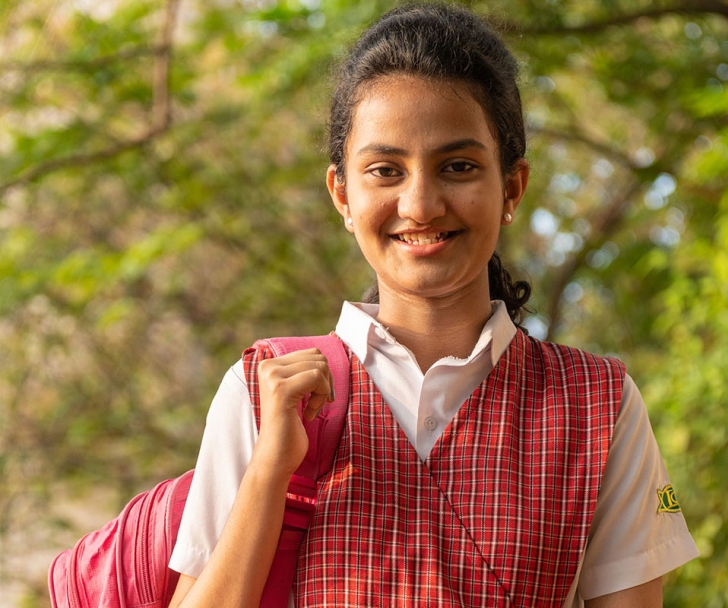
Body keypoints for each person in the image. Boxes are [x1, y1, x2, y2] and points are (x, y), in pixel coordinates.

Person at [167, 3, 699, 606]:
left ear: (513, 187)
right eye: (385, 170)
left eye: (458, 166)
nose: (420, 204)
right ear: (342, 194)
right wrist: (270, 472)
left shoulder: (600, 408)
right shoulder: (260, 392)